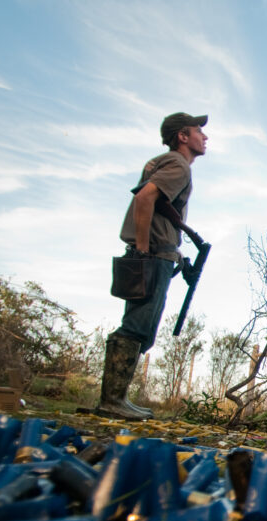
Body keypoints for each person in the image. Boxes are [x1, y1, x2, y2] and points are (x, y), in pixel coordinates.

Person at [96, 112, 208, 420]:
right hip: (152, 255)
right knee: (137, 327)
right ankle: (112, 401)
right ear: (182, 137)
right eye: (198, 131)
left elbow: (158, 210)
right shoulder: (178, 166)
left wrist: (178, 258)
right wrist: (146, 250)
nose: (205, 136)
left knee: (138, 324)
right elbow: (145, 199)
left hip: (155, 252)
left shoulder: (158, 162)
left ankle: (116, 399)